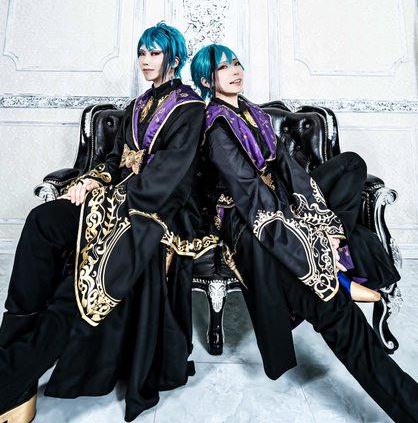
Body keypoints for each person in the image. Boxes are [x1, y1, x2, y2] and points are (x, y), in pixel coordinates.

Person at [190, 43, 418, 423]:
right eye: (223, 67)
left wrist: (325, 226)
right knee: (336, 311)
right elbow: (252, 198)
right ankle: (408, 403)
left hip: (280, 197)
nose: (235, 70)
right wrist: (308, 245)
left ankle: (338, 249)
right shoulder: (216, 127)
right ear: (206, 79)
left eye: (236, 63)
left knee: (350, 165)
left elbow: (289, 169)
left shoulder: (252, 112)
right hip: (247, 219)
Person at [0, 22, 214, 423]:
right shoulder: (136, 106)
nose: (145, 61)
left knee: (90, 276)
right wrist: (90, 181)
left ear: (174, 57)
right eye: (142, 53)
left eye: (154, 53)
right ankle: (10, 346)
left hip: (155, 213)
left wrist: (115, 200)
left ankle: (10, 378)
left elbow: (172, 177)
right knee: (43, 220)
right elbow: (115, 161)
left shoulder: (190, 108)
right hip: (112, 200)